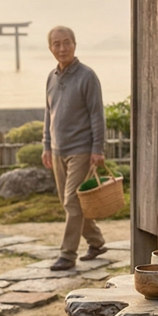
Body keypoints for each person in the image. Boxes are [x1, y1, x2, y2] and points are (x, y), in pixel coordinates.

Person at [42, 25, 108, 271]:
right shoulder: (51, 77)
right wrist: (46, 145)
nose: (62, 48)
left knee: (72, 202)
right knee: (71, 204)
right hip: (58, 150)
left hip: (81, 149)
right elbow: (48, 113)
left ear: (75, 44)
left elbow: (97, 115)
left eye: (66, 42)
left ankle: (67, 255)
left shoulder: (87, 76)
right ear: (50, 48)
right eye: (57, 44)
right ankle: (97, 242)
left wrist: (98, 150)